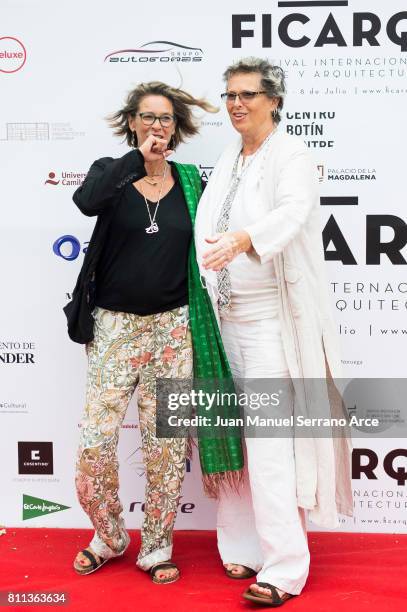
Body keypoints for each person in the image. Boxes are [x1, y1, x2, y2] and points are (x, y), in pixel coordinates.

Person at [195, 57, 353, 606]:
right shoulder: (228, 157)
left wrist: (242, 240)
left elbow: (291, 213)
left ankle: (284, 568)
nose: (236, 103)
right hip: (223, 324)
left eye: (248, 95)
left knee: (267, 447)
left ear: (275, 100)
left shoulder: (293, 155)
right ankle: (241, 546)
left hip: (270, 328)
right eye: (231, 94)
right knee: (231, 438)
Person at [65, 81, 220, 584]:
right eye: (149, 117)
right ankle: (109, 536)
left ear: (178, 127)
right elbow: (86, 202)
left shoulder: (193, 182)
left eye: (167, 119)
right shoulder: (109, 176)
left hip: (174, 328)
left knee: (167, 443)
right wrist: (138, 160)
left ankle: (157, 545)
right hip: (115, 328)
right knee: (95, 440)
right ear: (131, 122)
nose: (158, 126)